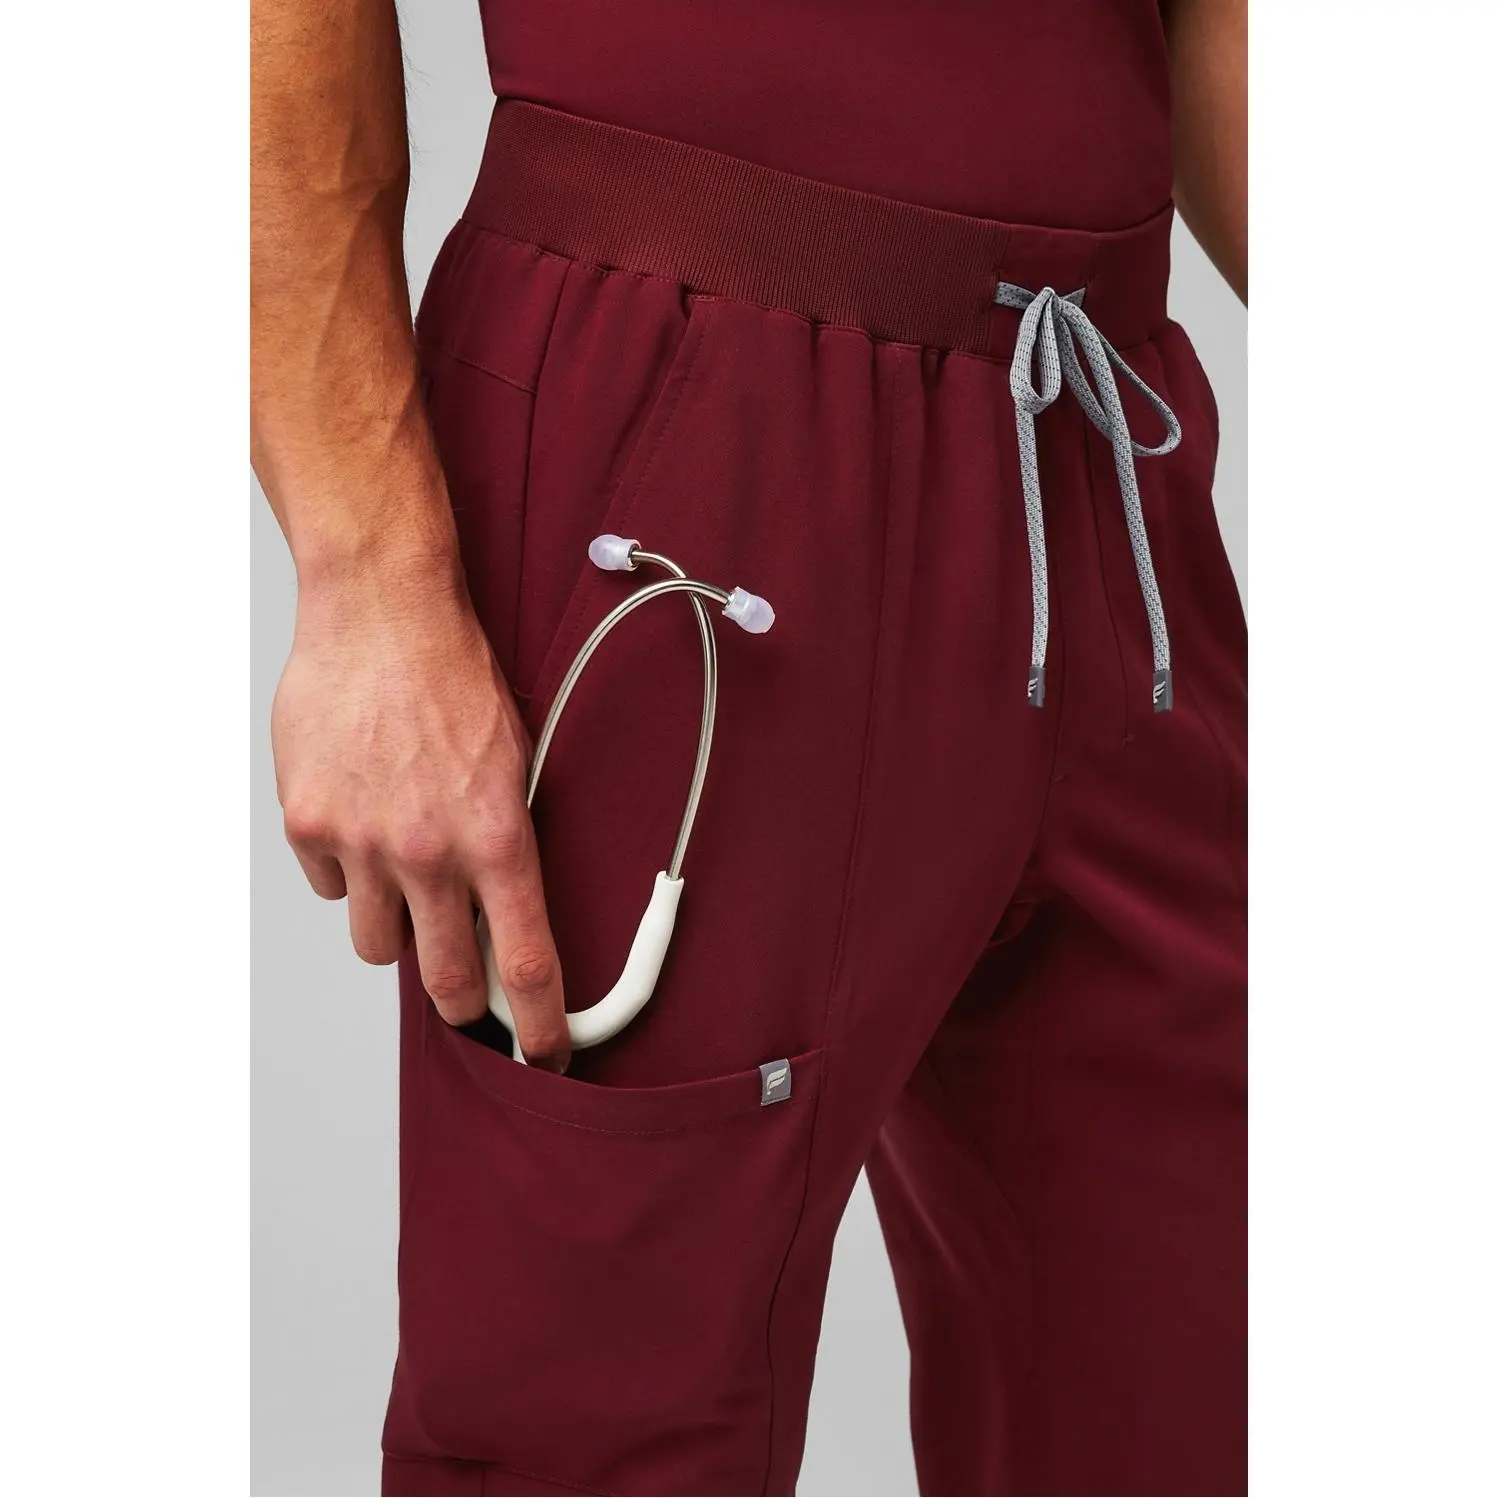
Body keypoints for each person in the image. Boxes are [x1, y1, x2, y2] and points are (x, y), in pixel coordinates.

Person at [251, 1, 1246, 1493]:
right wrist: (364, 581)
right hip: (690, 453)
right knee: (597, 1428)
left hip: (1102, 447)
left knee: (1180, 1376)